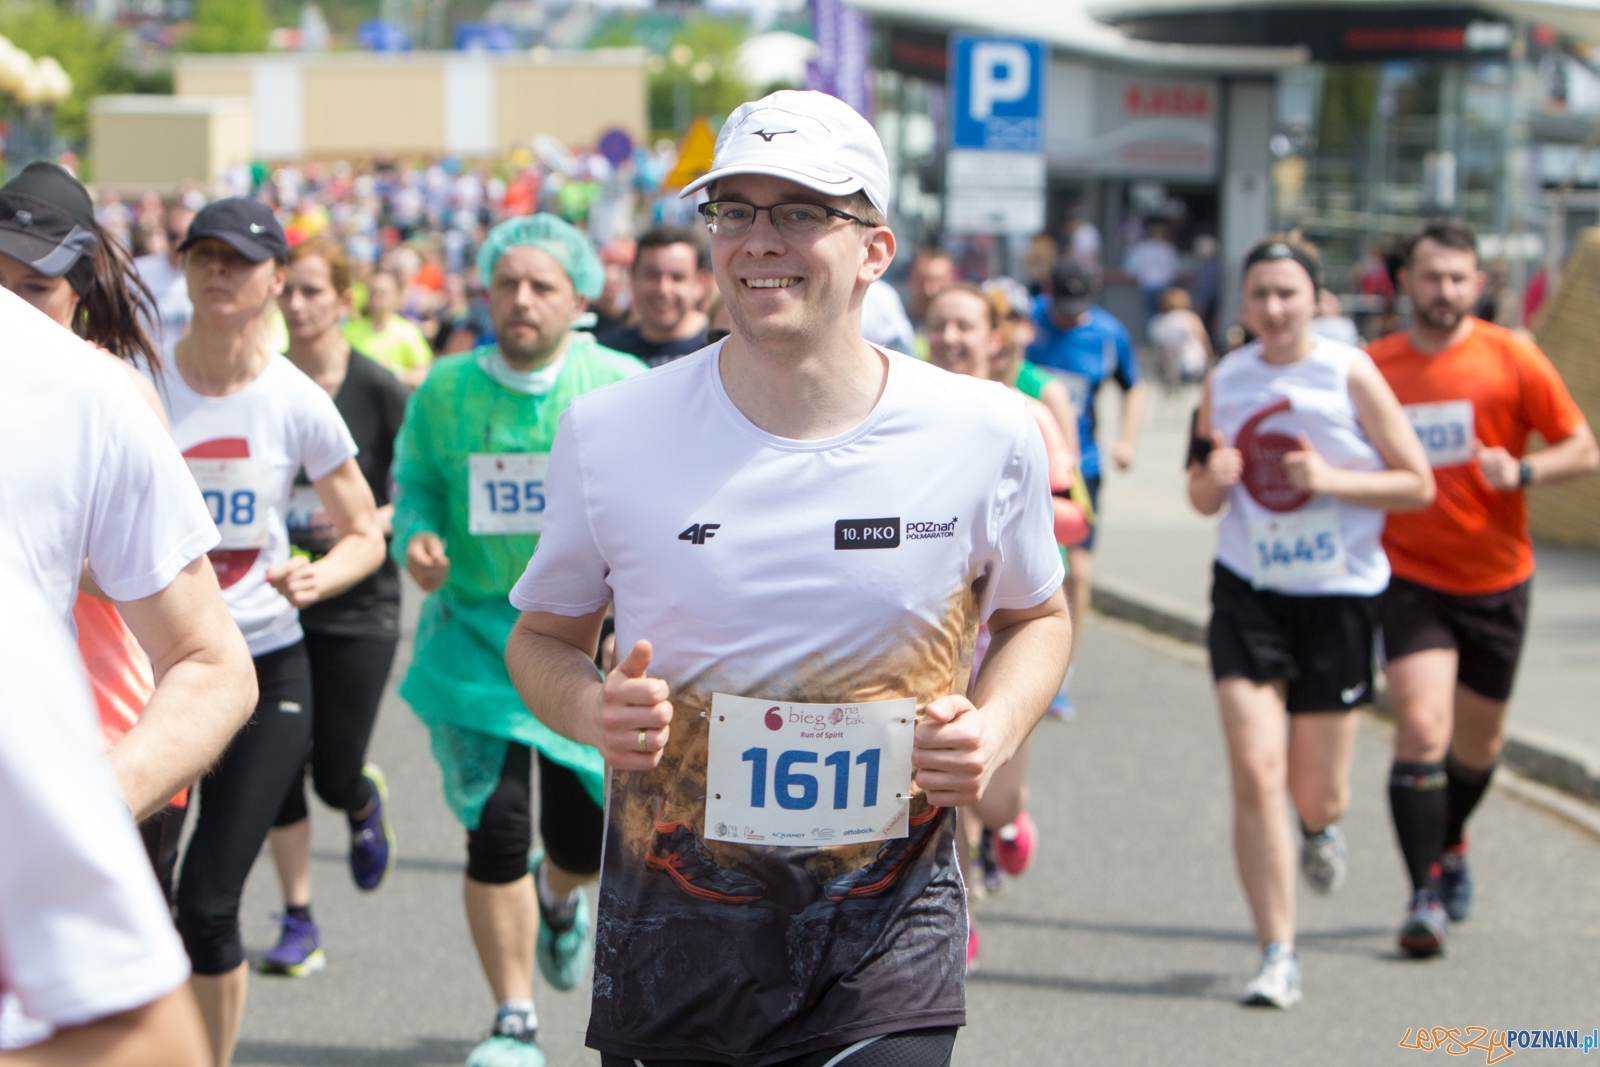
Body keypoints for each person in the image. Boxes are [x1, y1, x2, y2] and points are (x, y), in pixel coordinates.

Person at [505, 88, 1070, 1067]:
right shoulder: (610, 432)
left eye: (802, 211)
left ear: (875, 248)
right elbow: (540, 639)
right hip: (674, 946)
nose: (759, 240)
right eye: (734, 210)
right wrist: (592, 708)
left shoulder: (984, 432)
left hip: (884, 943)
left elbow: (1037, 616)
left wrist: (993, 726)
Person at [390, 213, 646, 1067]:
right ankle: (513, 1017)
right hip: (476, 638)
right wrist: (416, 537)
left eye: (542, 286)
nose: (522, 299)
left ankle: (560, 898)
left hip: (582, 647)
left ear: (579, 298)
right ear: (486, 293)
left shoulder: (618, 386)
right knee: (497, 828)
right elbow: (417, 483)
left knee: (577, 837)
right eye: (507, 283)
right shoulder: (446, 389)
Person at [157, 198, 386, 1067]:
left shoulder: (295, 400)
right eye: (203, 254)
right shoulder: (139, 380)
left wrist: (322, 574)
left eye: (240, 258)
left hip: (261, 668)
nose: (218, 270)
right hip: (153, 673)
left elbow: (363, 532)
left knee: (208, 903)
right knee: (138, 900)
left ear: (278, 280)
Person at [1186, 235, 1433, 1008]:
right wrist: (1213, 477)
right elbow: (1199, 492)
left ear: (1315, 300)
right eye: (1260, 293)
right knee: (1256, 770)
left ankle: (1321, 827)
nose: (1273, 308)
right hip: (1249, 594)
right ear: (1244, 301)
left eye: (1287, 293)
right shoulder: (1227, 378)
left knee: (1317, 791)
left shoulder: (1349, 371)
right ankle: (1278, 952)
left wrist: (1330, 478)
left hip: (1338, 598)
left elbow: (1418, 483)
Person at [0, 165, 257, 833]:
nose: (13, 307)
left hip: (109, 714)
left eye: (33, 287)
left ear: (79, 289)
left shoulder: (109, 393)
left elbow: (164, 582)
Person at [1368, 218, 1598, 958]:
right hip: (1408, 575)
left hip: (1498, 578)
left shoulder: (1512, 358)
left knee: (1478, 746)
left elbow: (1582, 447)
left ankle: (1452, 840)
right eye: (1431, 276)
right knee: (1420, 727)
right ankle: (1424, 894)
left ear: (1479, 283)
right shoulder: (1374, 367)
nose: (1444, 290)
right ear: (1407, 282)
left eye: (1457, 277)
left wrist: (1522, 470)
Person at [259, 235, 412, 978]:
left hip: (359, 601)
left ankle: (357, 799)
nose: (297, 304)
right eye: (289, 290)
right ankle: (298, 918)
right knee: (276, 768)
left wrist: (363, 523)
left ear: (344, 302)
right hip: (272, 600)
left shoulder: (379, 388)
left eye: (313, 291)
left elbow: (419, 488)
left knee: (332, 770)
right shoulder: (264, 383)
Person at [924, 283, 1083, 967]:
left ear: (994, 339)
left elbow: (1076, 514)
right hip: (933, 635)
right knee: (944, 784)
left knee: (992, 799)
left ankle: (1010, 822)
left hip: (1003, 633)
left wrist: (1021, 518)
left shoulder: (1027, 416)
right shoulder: (906, 411)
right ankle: (954, 919)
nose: (951, 338)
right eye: (939, 325)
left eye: (965, 326)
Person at [0, 566, 210, 1067]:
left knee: (203, 913)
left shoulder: (14, 635)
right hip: (71, 757)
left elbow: (208, 655)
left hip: (117, 740)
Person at [1025, 257, 1144, 708]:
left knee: (1078, 570)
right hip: (1023, 462)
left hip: (1079, 468)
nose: (1068, 316)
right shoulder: (1028, 322)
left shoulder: (1109, 334)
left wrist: (1127, 440)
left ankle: (1062, 674)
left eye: (1077, 308)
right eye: (1061, 306)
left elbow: (1133, 385)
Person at [597, 227, 710, 367]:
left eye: (677, 277)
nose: (663, 289)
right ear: (632, 277)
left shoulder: (719, 349)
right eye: (652, 276)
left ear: (700, 282)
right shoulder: (607, 354)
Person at [344, 267, 433, 386]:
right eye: (374, 292)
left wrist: (395, 372)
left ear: (396, 296)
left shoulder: (408, 332)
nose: (377, 297)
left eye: (383, 292)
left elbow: (425, 376)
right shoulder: (350, 330)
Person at [134, 200, 196, 362]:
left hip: (190, 368)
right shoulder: (137, 272)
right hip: (145, 365)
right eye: (173, 236)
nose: (179, 244)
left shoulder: (211, 276)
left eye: (187, 237)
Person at [1148, 286, 1212, 388]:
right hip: (1193, 367)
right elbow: (1204, 340)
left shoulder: (1158, 322)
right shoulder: (1190, 318)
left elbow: (1157, 348)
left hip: (1170, 371)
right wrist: (1210, 360)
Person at [1123, 220, 1180, 325]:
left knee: (1152, 316)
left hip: (1149, 285)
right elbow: (1175, 269)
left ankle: (1154, 334)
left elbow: (1131, 270)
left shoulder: (1143, 248)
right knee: (1164, 315)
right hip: (1161, 285)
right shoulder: (1168, 248)